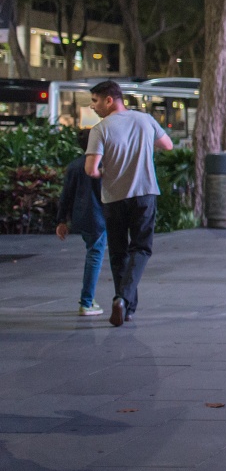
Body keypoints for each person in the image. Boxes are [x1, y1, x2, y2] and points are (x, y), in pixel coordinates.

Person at [83, 80, 173, 327]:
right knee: (141, 248)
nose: (93, 107)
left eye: (95, 101)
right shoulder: (145, 120)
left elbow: (90, 169)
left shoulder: (100, 129)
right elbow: (168, 145)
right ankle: (124, 300)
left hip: (114, 198)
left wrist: (104, 172)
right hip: (145, 194)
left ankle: (124, 303)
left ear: (109, 100)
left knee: (119, 252)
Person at [58, 129, 106, 317]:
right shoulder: (102, 166)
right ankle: (87, 301)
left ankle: (88, 300)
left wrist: (62, 220)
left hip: (81, 217)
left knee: (92, 253)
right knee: (95, 255)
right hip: (98, 218)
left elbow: (66, 196)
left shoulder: (74, 166)